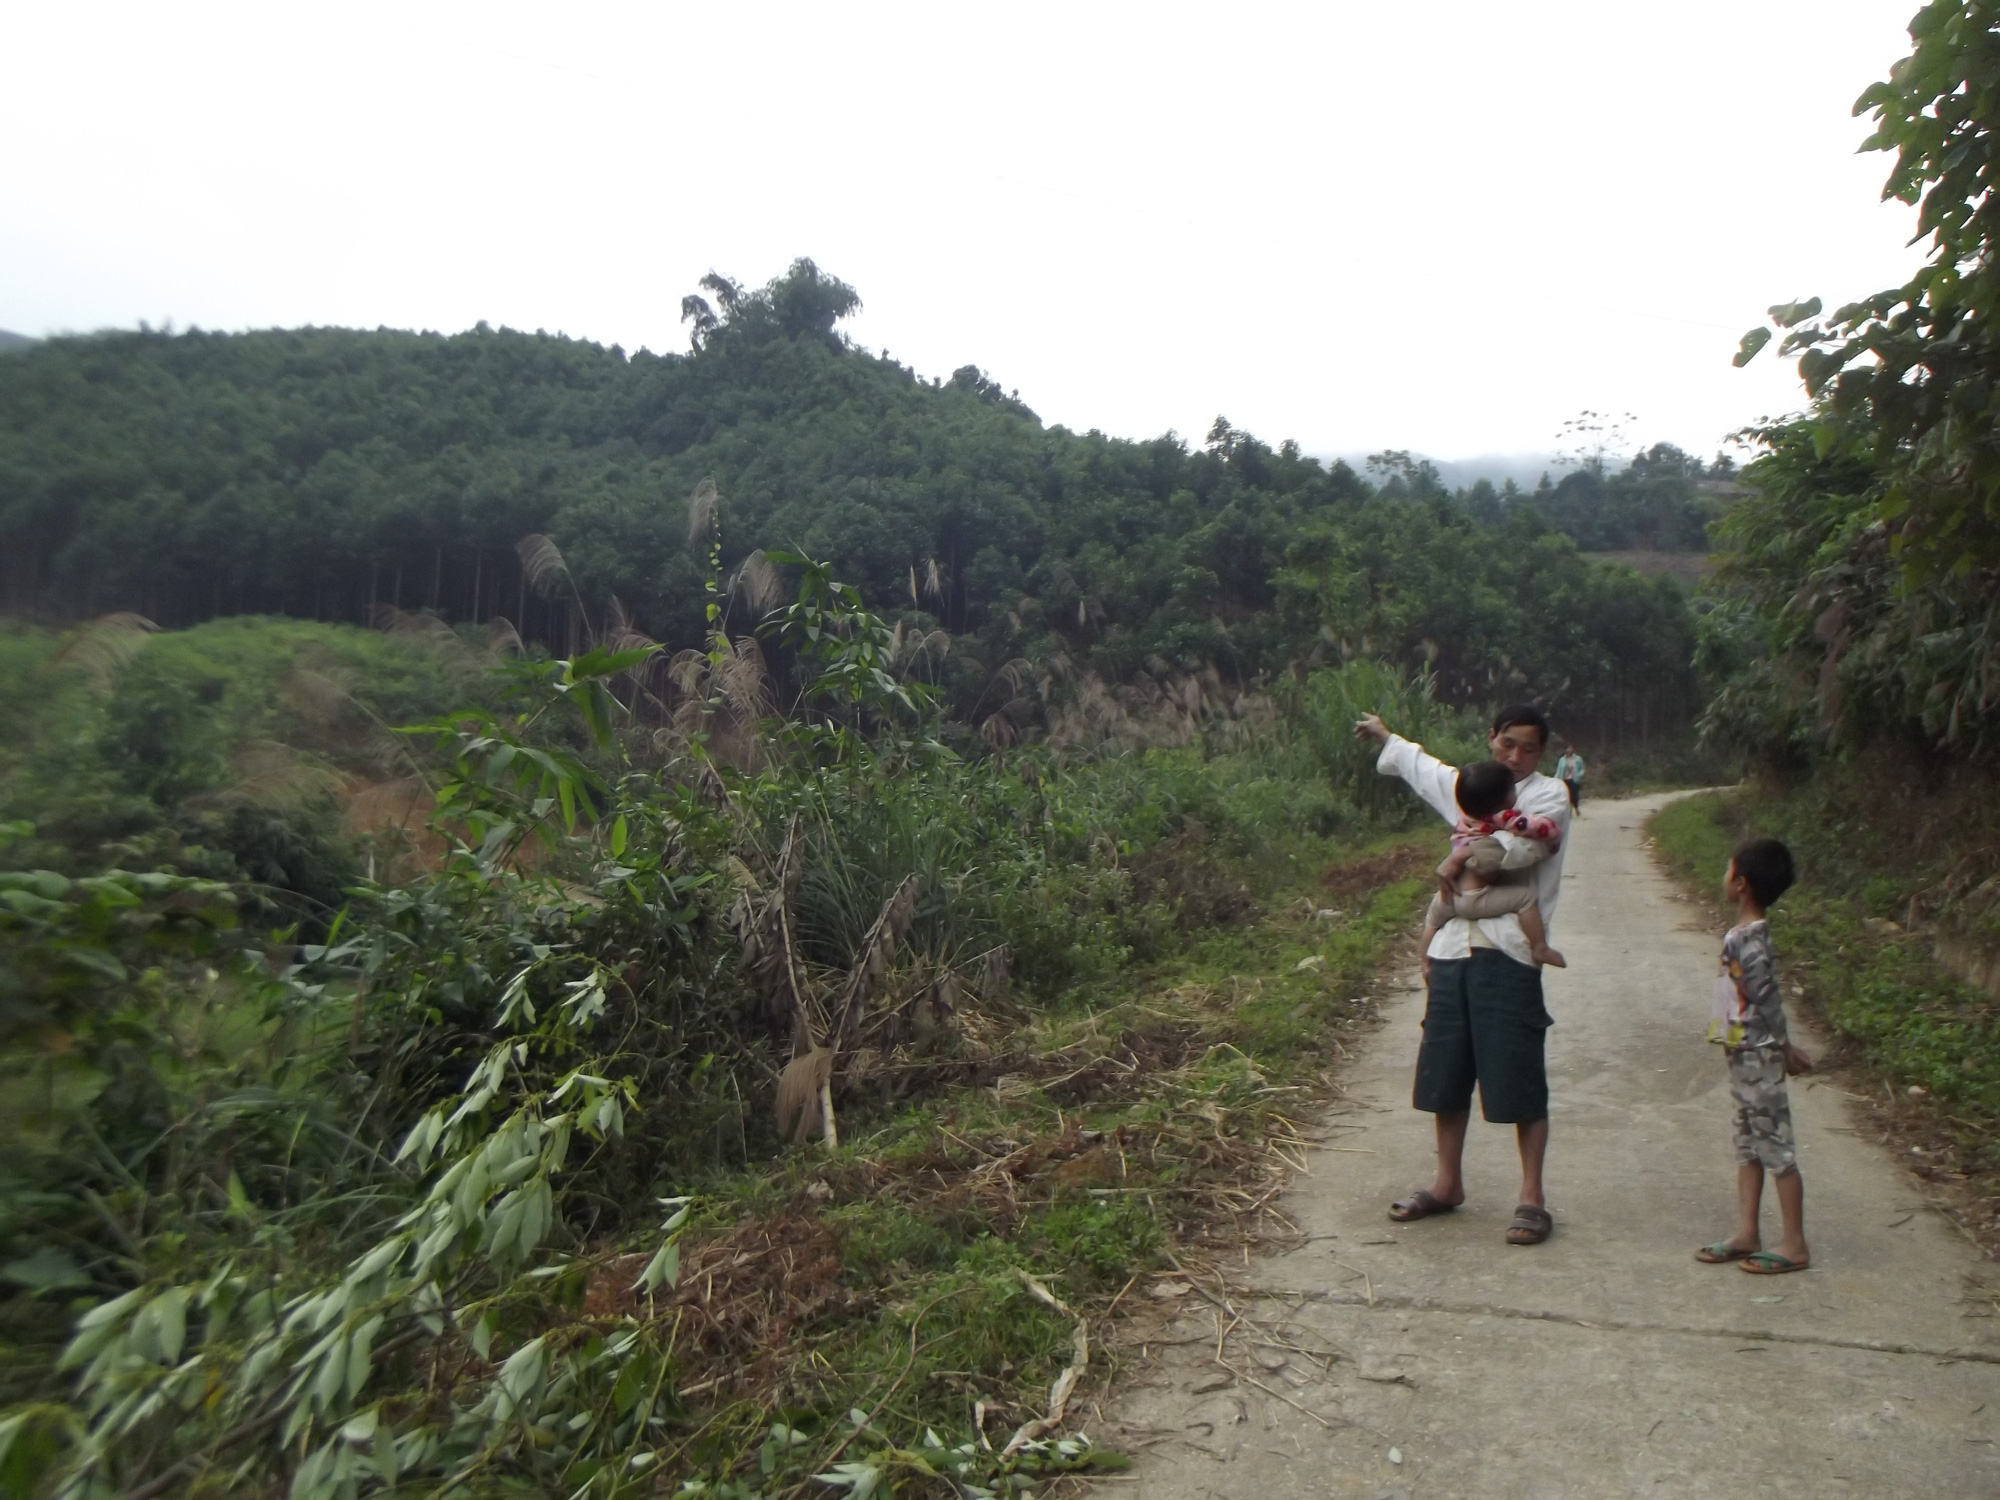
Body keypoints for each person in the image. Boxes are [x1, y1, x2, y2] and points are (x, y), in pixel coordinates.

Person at [1354, 704, 1571, 1246]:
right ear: (1491, 737)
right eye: (1507, 745)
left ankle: (1531, 1198)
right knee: (1445, 1071)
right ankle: (1447, 1183)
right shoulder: (1468, 785)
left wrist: (1458, 857)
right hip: (1451, 952)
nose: (1516, 757)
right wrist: (1385, 735)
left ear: (1542, 752)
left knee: (1519, 1075)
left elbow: (1520, 851)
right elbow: (1422, 766)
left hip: (1511, 952)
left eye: (1528, 748)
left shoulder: (1549, 797)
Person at [1695, 837, 1813, 1274]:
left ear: (1740, 883)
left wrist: (1784, 1048)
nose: (1723, 878)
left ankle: (1794, 1244)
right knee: (1748, 1144)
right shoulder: (1743, 935)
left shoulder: (1751, 941)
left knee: (1776, 1147)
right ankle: (1747, 1231)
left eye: (1727, 871)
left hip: (1760, 1054)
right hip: (1743, 1054)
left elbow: (1766, 999)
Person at [1418, 759, 1566, 971]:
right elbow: (1537, 828)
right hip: (1475, 897)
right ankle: (1540, 947)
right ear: (1506, 799)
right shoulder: (1502, 817)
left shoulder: (1464, 821)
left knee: (1432, 920)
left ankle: (1424, 960)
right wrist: (1552, 836)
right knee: (1526, 898)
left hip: (1450, 894)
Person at [1554, 743, 1586, 814]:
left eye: (1571, 748)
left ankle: (1576, 808)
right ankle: (1568, 810)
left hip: (1574, 779)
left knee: (1574, 795)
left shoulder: (1578, 759)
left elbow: (1582, 768)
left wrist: (1579, 774)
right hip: (1565, 779)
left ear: (1573, 750)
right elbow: (1559, 770)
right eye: (1568, 748)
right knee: (1566, 795)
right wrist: (1555, 779)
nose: (1569, 750)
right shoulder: (1562, 760)